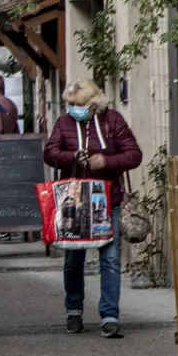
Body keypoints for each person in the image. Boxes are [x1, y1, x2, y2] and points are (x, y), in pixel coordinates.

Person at [42, 79, 142, 338]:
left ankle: (110, 316)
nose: (72, 108)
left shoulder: (112, 121)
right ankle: (73, 311)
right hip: (74, 200)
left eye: (77, 104)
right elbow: (50, 152)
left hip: (108, 198)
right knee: (73, 257)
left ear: (92, 103)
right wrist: (71, 157)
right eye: (69, 104)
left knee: (110, 259)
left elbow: (133, 154)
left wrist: (105, 161)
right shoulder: (64, 123)